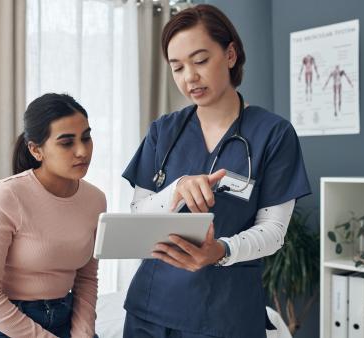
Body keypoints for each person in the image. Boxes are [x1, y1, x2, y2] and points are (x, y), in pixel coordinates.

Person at [122, 4, 311, 338]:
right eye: (177, 67)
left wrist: (221, 251)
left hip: (227, 313)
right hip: (151, 309)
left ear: (230, 54)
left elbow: (273, 231)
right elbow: (138, 216)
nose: (189, 77)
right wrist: (176, 189)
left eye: (200, 60)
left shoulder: (274, 134)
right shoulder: (163, 132)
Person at [0, 93, 106, 338]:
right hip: (2, 323)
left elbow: (86, 278)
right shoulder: (7, 195)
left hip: (64, 314)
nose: (82, 151)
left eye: (86, 137)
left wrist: (83, 334)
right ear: (36, 150)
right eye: (66, 142)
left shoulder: (96, 199)